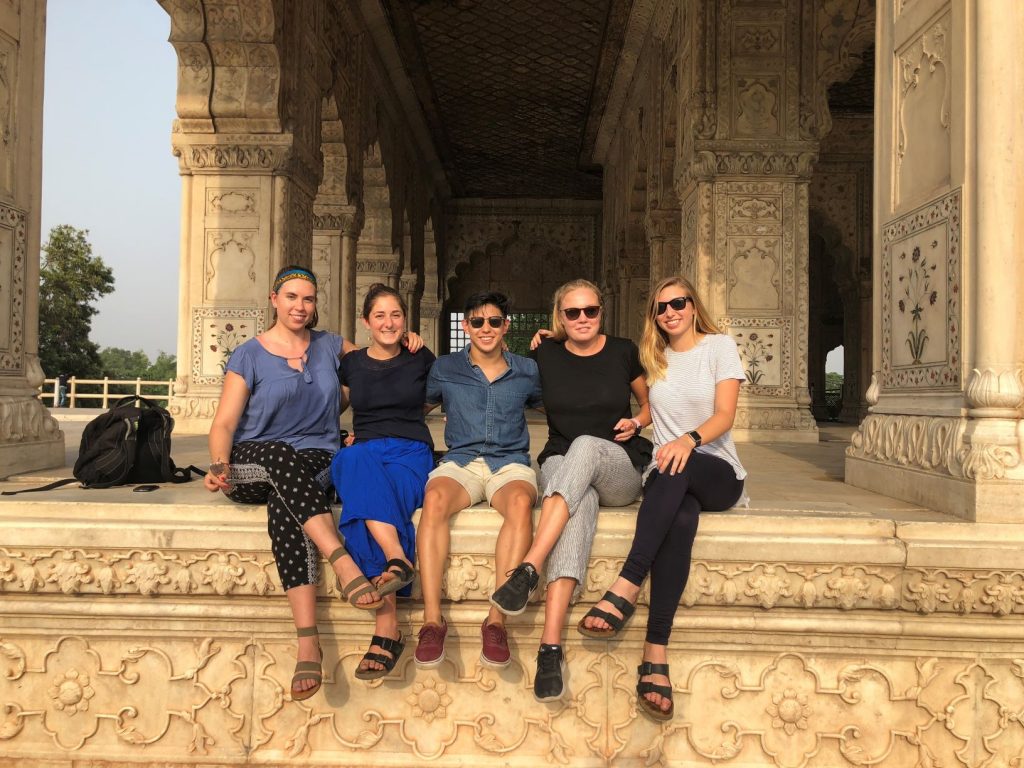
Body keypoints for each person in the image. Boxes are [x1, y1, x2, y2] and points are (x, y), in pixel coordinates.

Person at [204, 265, 399, 702]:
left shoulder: (331, 346)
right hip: (253, 461)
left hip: (317, 460)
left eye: (308, 299)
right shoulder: (249, 355)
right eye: (291, 297)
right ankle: (342, 562)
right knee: (279, 456)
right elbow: (226, 423)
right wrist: (218, 463)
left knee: (286, 504)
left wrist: (407, 342)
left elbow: (380, 360)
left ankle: (308, 641)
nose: (300, 306)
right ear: (274, 300)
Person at [577, 276, 746, 721]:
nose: (669, 312)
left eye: (677, 303)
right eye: (660, 307)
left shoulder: (719, 347)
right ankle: (656, 653)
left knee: (678, 462)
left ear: (693, 306)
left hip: (715, 470)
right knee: (682, 519)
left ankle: (627, 583)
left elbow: (724, 415)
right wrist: (638, 423)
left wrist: (688, 440)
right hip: (669, 473)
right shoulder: (655, 356)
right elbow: (654, 408)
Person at [489, 278, 651, 702]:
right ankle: (550, 647)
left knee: (585, 446)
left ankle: (528, 568)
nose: (582, 319)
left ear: (602, 312)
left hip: (618, 464)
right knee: (581, 500)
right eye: (572, 312)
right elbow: (500, 378)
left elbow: (650, 404)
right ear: (558, 317)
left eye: (590, 311)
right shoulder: (544, 353)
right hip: (563, 465)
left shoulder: (622, 351)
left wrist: (637, 422)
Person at [414, 291, 543, 669]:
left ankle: (496, 621)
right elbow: (415, 407)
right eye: (476, 321)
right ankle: (432, 621)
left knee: (521, 504)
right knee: (434, 500)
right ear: (466, 326)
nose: (485, 329)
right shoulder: (445, 368)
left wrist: (559, 342)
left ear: (506, 326)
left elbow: (564, 396)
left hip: (509, 463)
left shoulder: (527, 370)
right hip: (462, 462)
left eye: (493, 321)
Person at [330, 283, 435, 680]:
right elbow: (332, 406)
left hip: (410, 452)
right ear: (365, 322)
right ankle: (398, 559)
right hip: (366, 450)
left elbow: (442, 393)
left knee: (363, 506)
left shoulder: (420, 356)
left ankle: (386, 627)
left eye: (396, 315)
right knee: (351, 458)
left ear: (406, 320)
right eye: (380, 316)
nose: (389, 323)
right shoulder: (352, 364)